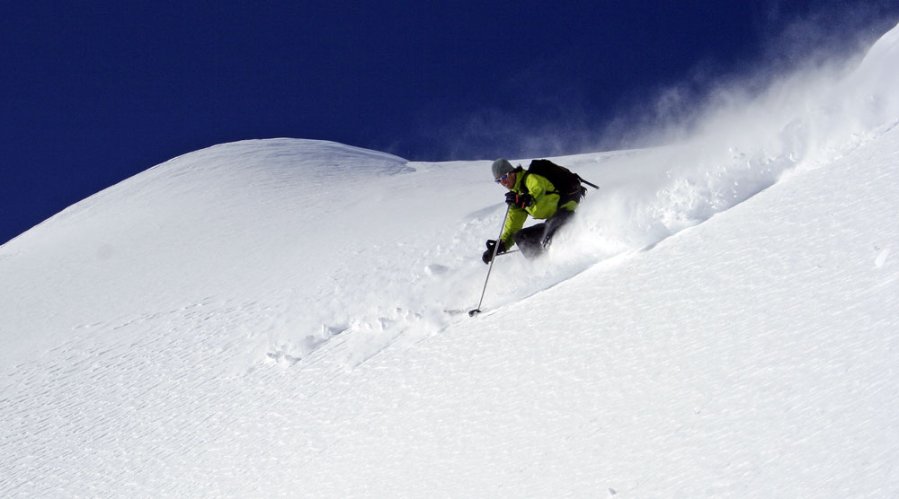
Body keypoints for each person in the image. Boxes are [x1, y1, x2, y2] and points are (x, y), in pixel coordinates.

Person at [482, 158, 584, 263]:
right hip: (553, 219)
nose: (503, 182)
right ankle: (541, 266)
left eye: (504, 177)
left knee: (548, 238)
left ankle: (565, 262)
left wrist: (527, 198)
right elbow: (512, 228)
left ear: (512, 172)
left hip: (566, 209)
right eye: (499, 181)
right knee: (521, 237)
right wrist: (499, 246)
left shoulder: (529, 178)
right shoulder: (516, 198)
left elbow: (538, 189)